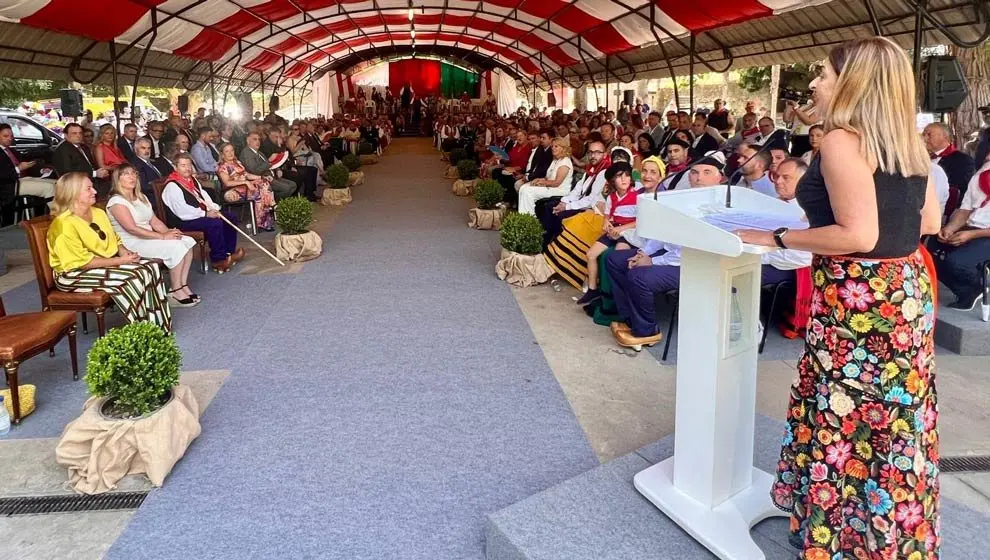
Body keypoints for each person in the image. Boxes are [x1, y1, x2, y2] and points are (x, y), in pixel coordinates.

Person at [733, 38, 942, 559]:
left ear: (853, 82)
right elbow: (929, 223)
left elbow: (856, 233)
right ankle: (885, 537)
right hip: (904, 290)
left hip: (859, 299)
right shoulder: (909, 142)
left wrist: (778, 238)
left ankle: (836, 532)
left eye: (824, 75)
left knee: (844, 413)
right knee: (893, 421)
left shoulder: (844, 141)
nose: (818, 84)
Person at [605, 153, 729, 349]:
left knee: (639, 276)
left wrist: (652, 262)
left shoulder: (720, 208)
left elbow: (687, 251)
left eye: (707, 173)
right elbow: (663, 234)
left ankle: (647, 331)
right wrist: (643, 253)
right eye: (695, 172)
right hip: (669, 256)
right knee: (615, 260)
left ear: (719, 178)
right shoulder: (684, 200)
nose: (699, 178)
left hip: (695, 265)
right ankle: (631, 320)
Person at [46, 172, 172, 331]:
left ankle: (159, 326)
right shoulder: (64, 224)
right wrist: (120, 261)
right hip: (72, 273)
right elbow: (82, 263)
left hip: (101, 264)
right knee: (131, 278)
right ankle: (142, 331)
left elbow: (114, 239)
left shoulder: (98, 212)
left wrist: (124, 252)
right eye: (89, 189)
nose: (95, 191)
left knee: (150, 267)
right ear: (74, 194)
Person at [106, 165, 199, 308]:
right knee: (176, 247)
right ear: (117, 179)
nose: (132, 177)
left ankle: (182, 285)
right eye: (126, 174)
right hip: (132, 243)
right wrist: (162, 237)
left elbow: (154, 220)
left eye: (133, 173)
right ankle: (175, 291)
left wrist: (169, 232)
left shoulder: (140, 197)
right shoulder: (116, 201)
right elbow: (132, 229)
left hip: (149, 236)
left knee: (186, 240)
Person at [161, 153, 243, 274]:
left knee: (230, 217)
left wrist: (214, 209)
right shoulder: (172, 186)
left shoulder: (191, 180)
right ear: (175, 167)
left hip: (197, 215)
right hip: (183, 221)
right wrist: (205, 214)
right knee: (214, 224)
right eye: (183, 165)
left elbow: (204, 196)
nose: (187, 168)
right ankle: (218, 260)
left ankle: (228, 253)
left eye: (189, 165)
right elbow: (182, 211)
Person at [575, 162, 639, 305]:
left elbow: (640, 221)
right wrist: (606, 222)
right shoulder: (612, 197)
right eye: (619, 177)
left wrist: (622, 229)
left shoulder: (636, 196)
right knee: (590, 255)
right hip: (614, 230)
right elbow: (607, 215)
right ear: (612, 181)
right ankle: (592, 290)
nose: (624, 179)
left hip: (629, 233)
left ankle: (616, 294)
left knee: (618, 255)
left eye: (627, 176)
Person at [932, 166, 990, 309]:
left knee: (957, 263)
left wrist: (971, 235)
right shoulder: (981, 175)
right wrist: (949, 229)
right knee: (930, 253)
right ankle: (968, 291)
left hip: (984, 234)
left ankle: (982, 285)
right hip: (973, 228)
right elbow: (965, 210)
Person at [215, 142, 276, 231]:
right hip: (231, 191)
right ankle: (267, 214)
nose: (230, 153)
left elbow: (246, 175)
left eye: (232, 150)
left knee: (264, 182)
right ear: (222, 154)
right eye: (227, 151)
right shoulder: (222, 167)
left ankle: (267, 214)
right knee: (258, 192)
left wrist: (261, 177)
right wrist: (246, 182)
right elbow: (227, 183)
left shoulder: (237, 162)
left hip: (245, 188)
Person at [516, 138, 573, 216]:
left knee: (528, 191)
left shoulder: (565, 162)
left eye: (556, 146)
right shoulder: (555, 160)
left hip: (559, 190)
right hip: (550, 187)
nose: (553, 148)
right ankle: (523, 215)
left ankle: (529, 218)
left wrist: (542, 182)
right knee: (523, 187)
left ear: (563, 148)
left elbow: (557, 183)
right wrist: (538, 180)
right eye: (552, 146)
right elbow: (548, 177)